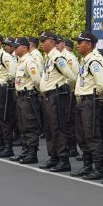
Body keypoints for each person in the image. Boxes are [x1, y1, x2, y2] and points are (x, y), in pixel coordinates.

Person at [71, 32, 103, 179]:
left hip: (89, 102)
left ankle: (98, 169)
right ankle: (87, 166)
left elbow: (101, 84)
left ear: (89, 44)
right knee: (82, 136)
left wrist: (96, 99)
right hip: (82, 101)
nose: (78, 45)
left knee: (92, 136)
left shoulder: (94, 60)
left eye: (80, 42)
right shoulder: (84, 60)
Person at [38, 31, 76, 172]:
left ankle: (63, 159)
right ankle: (53, 157)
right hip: (48, 97)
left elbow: (71, 76)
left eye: (44, 41)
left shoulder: (58, 58)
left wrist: (65, 90)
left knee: (58, 128)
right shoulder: (48, 58)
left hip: (57, 96)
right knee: (49, 128)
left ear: (52, 42)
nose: (41, 44)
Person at [13, 37, 43, 164]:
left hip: (28, 96)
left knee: (30, 125)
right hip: (21, 96)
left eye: (16, 46)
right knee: (23, 125)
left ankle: (32, 153)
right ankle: (25, 151)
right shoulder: (21, 61)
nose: (14, 49)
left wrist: (35, 93)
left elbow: (36, 80)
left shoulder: (29, 61)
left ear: (24, 47)